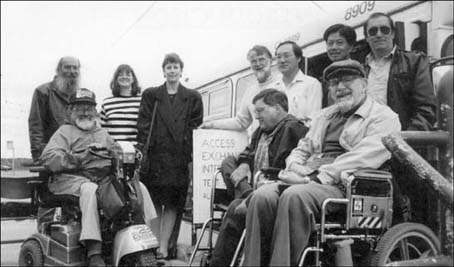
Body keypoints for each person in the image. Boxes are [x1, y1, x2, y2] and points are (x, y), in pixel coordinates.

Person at [242, 59, 401, 266]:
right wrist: (296, 168)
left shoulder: (383, 117)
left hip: (346, 184)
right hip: (310, 177)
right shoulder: (324, 115)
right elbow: (301, 149)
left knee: (294, 196)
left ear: (364, 84)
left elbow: (362, 157)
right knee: (262, 196)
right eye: (334, 83)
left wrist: (313, 178)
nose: (340, 87)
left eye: (347, 80)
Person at [39, 88, 157, 267]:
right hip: (69, 179)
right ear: (70, 111)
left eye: (88, 108)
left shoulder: (101, 133)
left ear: (95, 112)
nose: (85, 112)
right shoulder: (64, 132)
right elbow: (48, 158)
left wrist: (128, 155)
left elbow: (116, 152)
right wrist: (79, 156)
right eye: (79, 108)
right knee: (89, 190)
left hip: (101, 178)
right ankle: (94, 251)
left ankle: (146, 238)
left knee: (139, 186)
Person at [210, 89, 308, 266]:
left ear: (277, 108)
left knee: (233, 210)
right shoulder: (261, 131)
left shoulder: (294, 129)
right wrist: (245, 163)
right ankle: (247, 195)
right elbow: (247, 152)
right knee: (228, 162)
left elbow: (284, 168)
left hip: (273, 190)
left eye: (260, 110)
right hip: (254, 186)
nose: (256, 116)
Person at [137, 53, 203, 261]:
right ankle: (154, 243)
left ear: (181, 71)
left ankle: (164, 246)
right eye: (169, 67)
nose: (172, 71)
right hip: (156, 158)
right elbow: (143, 125)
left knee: (173, 204)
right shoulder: (151, 95)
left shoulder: (192, 96)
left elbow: (195, 125)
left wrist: (185, 149)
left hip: (179, 159)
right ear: (163, 71)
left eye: (175, 67)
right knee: (154, 203)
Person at [364, 12, 436, 131]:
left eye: (384, 29)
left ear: (392, 34)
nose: (379, 34)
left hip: (404, 140)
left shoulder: (415, 61)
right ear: (367, 37)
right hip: (368, 141)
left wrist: (407, 139)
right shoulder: (361, 70)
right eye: (372, 31)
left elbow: (426, 108)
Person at [200, 45, 282, 136]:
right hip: (260, 144)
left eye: (261, 59)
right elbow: (241, 122)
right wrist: (212, 124)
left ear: (271, 61)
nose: (258, 64)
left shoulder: (283, 84)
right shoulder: (250, 91)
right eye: (253, 61)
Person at [28, 56, 80, 162]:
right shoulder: (43, 92)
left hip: (76, 154)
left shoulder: (81, 95)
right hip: (51, 155)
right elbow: (35, 126)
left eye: (75, 68)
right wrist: (38, 155)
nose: (72, 71)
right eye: (67, 67)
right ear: (59, 69)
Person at [273, 41, 322, 122]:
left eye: (286, 56)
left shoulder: (311, 84)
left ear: (298, 58)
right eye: (278, 57)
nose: (282, 60)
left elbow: (314, 119)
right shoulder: (272, 87)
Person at [100, 64, 142, 143]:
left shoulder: (142, 101)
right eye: (120, 75)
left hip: (136, 150)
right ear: (116, 79)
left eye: (128, 74)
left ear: (133, 79)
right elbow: (103, 131)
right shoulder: (106, 103)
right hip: (114, 151)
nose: (124, 77)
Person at [322, 24, 357, 107]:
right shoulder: (326, 79)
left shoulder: (358, 72)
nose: (334, 47)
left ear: (351, 47)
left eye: (339, 43)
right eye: (330, 43)